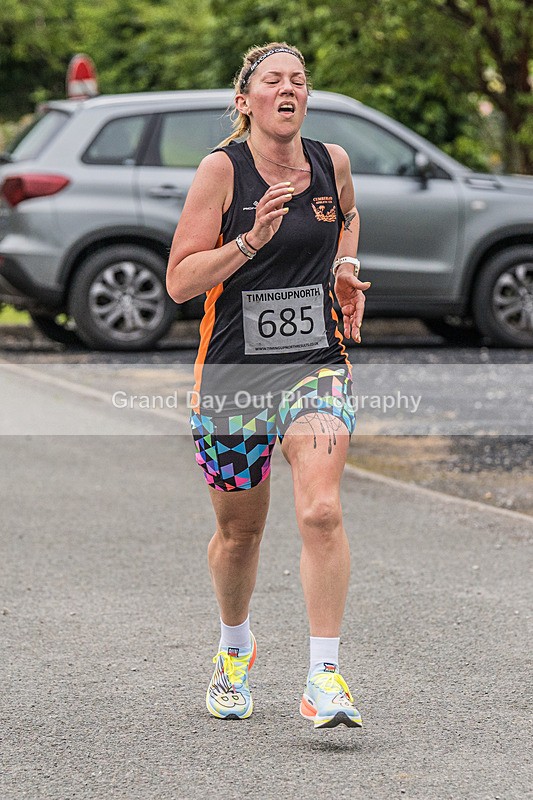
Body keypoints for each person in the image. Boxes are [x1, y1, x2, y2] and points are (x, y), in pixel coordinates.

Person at [167, 42, 371, 729]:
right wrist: (249, 241)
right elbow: (180, 281)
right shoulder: (220, 172)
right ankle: (234, 649)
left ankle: (323, 676)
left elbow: (347, 215)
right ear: (244, 99)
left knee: (320, 510)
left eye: (299, 81)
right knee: (239, 533)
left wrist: (344, 265)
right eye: (273, 81)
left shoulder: (329, 161)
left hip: (315, 362)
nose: (288, 89)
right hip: (232, 373)